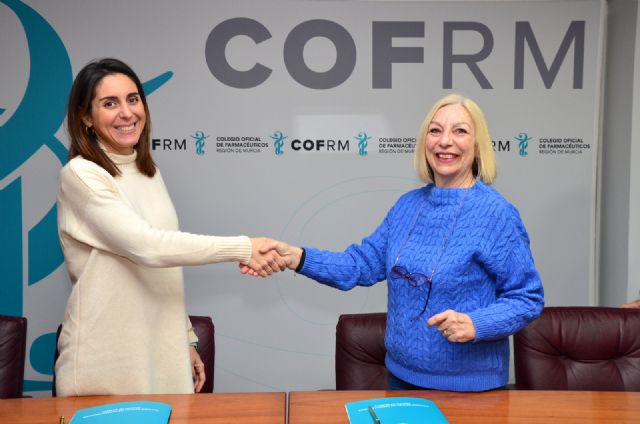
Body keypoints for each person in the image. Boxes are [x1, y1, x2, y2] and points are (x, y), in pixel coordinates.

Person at [247, 93, 545, 391]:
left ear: (478, 146)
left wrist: (477, 324)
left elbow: (527, 298)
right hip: (400, 378)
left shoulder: (496, 213)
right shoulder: (407, 206)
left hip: (469, 389)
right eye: (435, 130)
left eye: (460, 131)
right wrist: (296, 257)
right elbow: (359, 265)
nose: (445, 141)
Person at [56, 58, 285, 396]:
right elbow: (148, 247)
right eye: (110, 103)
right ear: (86, 117)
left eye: (133, 99)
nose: (127, 113)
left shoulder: (148, 172)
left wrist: (184, 339)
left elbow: (165, 263)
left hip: (161, 355)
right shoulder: (81, 175)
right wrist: (244, 248)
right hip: (106, 361)